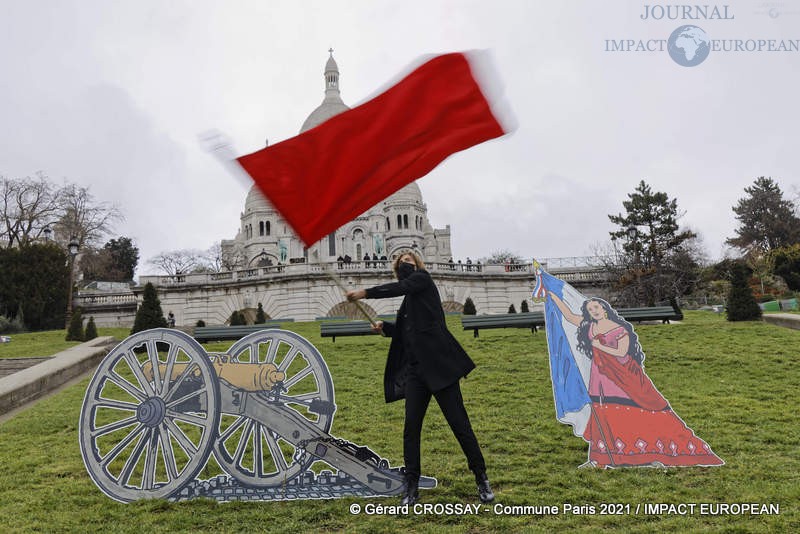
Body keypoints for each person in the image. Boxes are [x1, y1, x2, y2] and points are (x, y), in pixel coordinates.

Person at [346, 250, 494, 505]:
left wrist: (365, 293)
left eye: (409, 261)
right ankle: (411, 485)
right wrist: (385, 328)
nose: (406, 265)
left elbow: (401, 285)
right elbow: (404, 333)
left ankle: (481, 478)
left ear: (417, 266)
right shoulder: (407, 304)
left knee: (460, 426)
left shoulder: (422, 280)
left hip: (440, 369)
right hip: (416, 374)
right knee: (410, 429)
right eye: (402, 262)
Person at [548, 293, 724, 468]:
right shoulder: (589, 327)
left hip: (624, 375)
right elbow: (570, 316)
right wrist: (551, 294)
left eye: (596, 307)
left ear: (604, 309)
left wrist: (599, 345)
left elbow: (621, 353)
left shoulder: (619, 329)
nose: (594, 311)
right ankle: (599, 458)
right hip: (600, 376)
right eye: (589, 309)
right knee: (603, 413)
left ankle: (655, 453)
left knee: (638, 411)